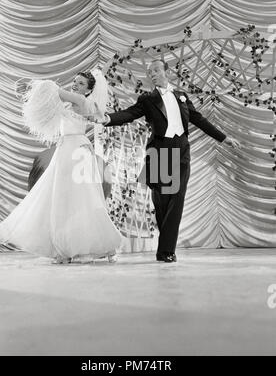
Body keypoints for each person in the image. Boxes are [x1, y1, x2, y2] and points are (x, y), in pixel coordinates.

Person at [98, 59, 240, 263]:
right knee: (162, 202)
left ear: (166, 71)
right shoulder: (148, 98)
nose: (153, 74)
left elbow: (199, 119)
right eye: (150, 72)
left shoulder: (182, 96)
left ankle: (167, 250)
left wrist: (224, 138)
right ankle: (164, 250)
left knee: (177, 198)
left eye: (156, 70)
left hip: (181, 150)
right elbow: (130, 113)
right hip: (159, 152)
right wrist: (108, 119)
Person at [0, 69, 123, 264]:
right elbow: (49, 101)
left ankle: (93, 246)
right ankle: (64, 249)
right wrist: (32, 94)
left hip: (77, 151)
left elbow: (54, 90)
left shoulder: (82, 101)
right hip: (65, 149)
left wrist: (32, 87)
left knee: (82, 199)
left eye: (81, 83)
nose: (76, 84)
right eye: (75, 81)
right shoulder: (72, 102)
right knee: (63, 199)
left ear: (88, 90)